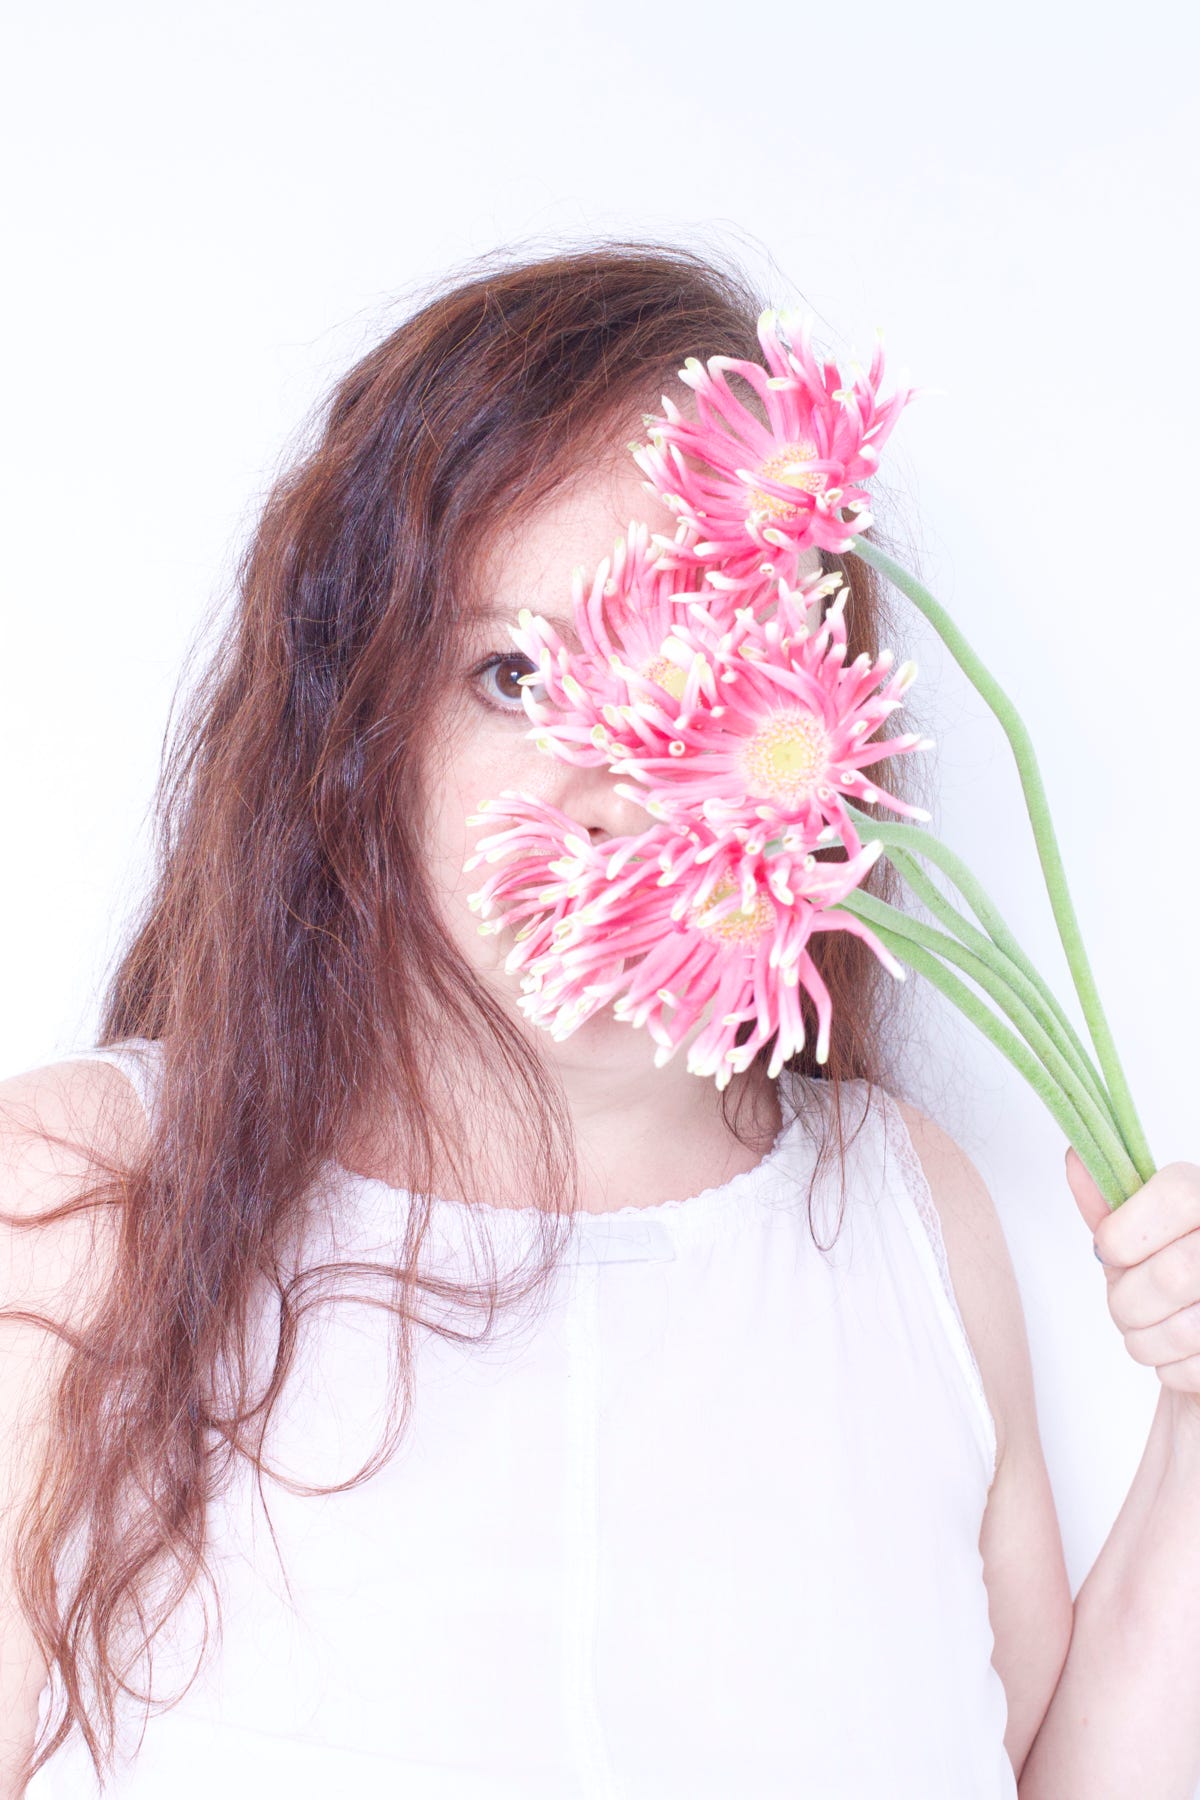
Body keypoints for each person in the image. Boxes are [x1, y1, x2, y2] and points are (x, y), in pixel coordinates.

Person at [0, 240, 1064, 1797]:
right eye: (510, 675)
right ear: (356, 725)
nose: (612, 786)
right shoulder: (80, 1197)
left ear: (817, 735)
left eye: (704, 688)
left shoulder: (906, 1210)